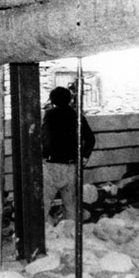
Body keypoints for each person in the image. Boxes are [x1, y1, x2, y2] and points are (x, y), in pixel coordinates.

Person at [42, 86, 96, 223]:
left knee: (44, 204)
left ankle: (41, 237)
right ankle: (70, 237)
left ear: (53, 101)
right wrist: (84, 157)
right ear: (69, 100)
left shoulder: (50, 115)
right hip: (72, 166)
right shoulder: (77, 116)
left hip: (52, 165)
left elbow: (45, 139)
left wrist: (43, 155)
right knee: (71, 206)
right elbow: (90, 139)